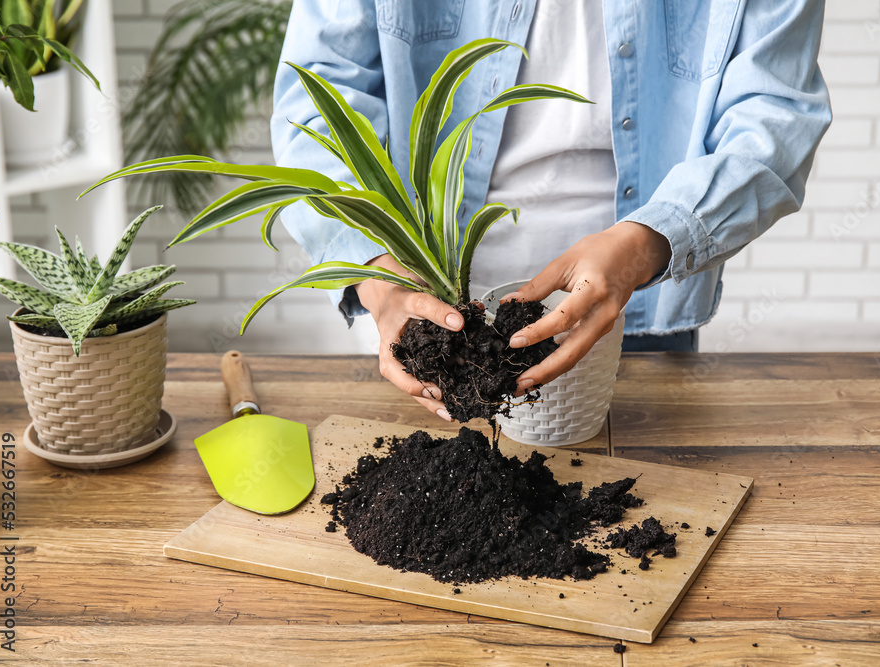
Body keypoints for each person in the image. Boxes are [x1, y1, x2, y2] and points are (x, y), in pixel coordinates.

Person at [272, 0, 831, 421]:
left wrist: (645, 243)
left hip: (636, 293)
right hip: (422, 310)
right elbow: (318, 96)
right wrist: (376, 276)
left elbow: (774, 112)